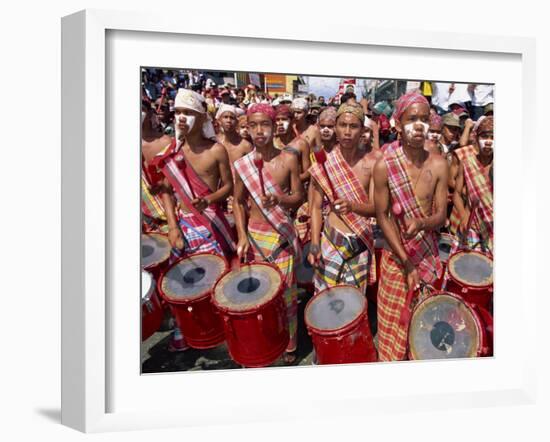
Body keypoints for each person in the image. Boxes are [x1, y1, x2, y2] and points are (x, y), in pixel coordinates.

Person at [373, 92, 448, 361]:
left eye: (425, 119)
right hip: (396, 258)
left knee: (423, 329)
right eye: (412, 119)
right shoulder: (384, 165)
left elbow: (440, 216)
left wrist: (422, 223)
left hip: (426, 256)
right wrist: (406, 263)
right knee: (393, 330)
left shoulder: (439, 164)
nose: (419, 125)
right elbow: (382, 216)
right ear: (397, 123)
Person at [233, 104, 305, 364]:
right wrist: (242, 236)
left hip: (280, 237)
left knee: (286, 295)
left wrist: (280, 200)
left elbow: (299, 195)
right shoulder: (242, 165)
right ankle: (263, 339)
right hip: (254, 237)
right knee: (259, 295)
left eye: (265, 124)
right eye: (253, 125)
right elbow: (238, 202)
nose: (259, 130)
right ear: (248, 129)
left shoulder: (288, 159)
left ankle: (289, 341)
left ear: (274, 127)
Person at [151, 89, 236, 258]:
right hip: (183, 224)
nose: (181, 117)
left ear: (203, 118)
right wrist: (173, 227)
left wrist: (208, 200)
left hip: (211, 223)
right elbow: (167, 192)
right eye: (178, 112)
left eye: (189, 112)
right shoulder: (172, 151)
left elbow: (228, 186)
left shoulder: (216, 150)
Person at [308, 102, 379, 295]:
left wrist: (352, 206)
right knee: (325, 298)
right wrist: (315, 243)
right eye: (342, 125)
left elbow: (376, 208)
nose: (347, 132)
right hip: (331, 239)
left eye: (353, 126)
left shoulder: (372, 163)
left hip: (359, 241)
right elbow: (314, 207)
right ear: (336, 128)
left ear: (363, 130)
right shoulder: (323, 163)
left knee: (353, 301)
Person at [450, 116, 494, 253]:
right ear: (476, 138)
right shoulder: (467, 162)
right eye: (485, 137)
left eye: (493, 138)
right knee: (466, 268)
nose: (488, 142)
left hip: (492, 228)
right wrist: (463, 216)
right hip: (471, 226)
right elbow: (456, 194)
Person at [141, 102, 173, 233]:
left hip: (169, 212)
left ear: (149, 113)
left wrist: (162, 184)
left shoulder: (166, 141)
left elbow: (177, 176)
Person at [273, 104, 311, 181]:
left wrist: (292, 182)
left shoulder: (301, 144)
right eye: (277, 120)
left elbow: (308, 173)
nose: (280, 123)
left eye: (284, 119)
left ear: (292, 121)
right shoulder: (271, 142)